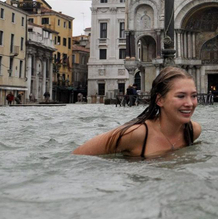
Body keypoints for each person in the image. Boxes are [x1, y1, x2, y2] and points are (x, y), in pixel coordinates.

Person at [73, 67, 203, 158]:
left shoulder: (193, 131)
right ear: (160, 100)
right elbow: (78, 155)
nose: (190, 103)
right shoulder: (136, 133)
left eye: (194, 96)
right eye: (181, 96)